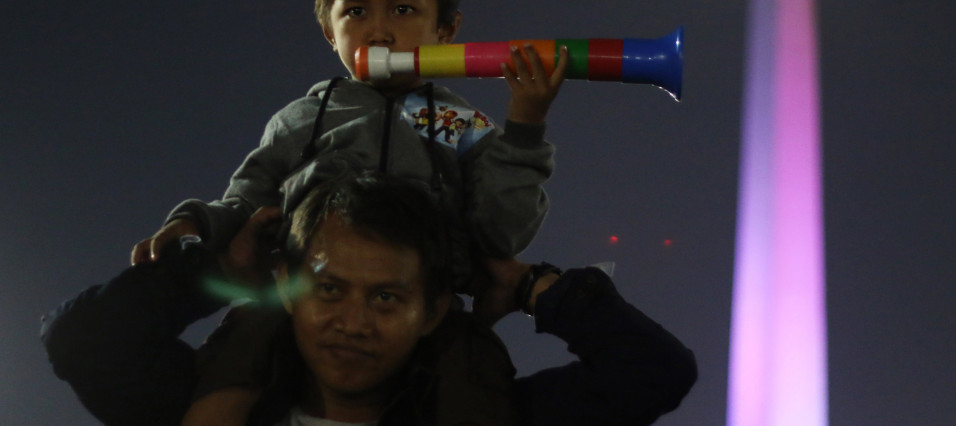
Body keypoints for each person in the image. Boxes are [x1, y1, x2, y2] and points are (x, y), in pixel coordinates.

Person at [129, 0, 568, 422]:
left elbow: (501, 231)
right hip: (306, 306)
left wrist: (524, 127)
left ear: (445, 29)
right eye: (356, 11)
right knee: (243, 338)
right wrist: (195, 222)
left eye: (403, 10)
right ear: (327, 28)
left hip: (415, 313)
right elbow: (244, 202)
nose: (379, 30)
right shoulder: (306, 119)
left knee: (474, 361)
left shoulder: (448, 120)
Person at [42, 172, 698, 425]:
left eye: (386, 297)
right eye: (329, 289)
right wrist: (210, 269)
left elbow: (654, 372)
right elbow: (82, 341)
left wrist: (532, 287)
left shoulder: (481, 415)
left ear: (433, 311)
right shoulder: (222, 409)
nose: (352, 324)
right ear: (287, 288)